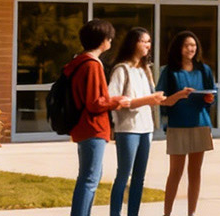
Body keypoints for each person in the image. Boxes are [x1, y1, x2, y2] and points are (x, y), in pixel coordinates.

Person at [109, 27, 185, 216]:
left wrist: (180, 95)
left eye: (149, 41)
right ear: (132, 43)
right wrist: (148, 100)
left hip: (146, 128)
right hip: (128, 129)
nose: (147, 45)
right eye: (143, 41)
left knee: (139, 178)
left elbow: (158, 99)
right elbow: (114, 101)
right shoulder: (121, 69)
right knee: (124, 175)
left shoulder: (145, 70)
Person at [61, 20, 127, 216]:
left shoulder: (78, 62)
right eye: (109, 38)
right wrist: (117, 102)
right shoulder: (92, 65)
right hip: (93, 127)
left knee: (88, 177)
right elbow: (94, 102)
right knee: (90, 179)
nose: (111, 41)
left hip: (83, 127)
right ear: (102, 41)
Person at [157, 31, 216, 216]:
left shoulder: (204, 69)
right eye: (186, 45)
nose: (191, 48)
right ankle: (167, 213)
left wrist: (208, 99)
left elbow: (212, 97)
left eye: (194, 45)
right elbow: (162, 100)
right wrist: (178, 95)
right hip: (178, 125)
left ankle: (191, 213)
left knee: (195, 171)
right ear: (178, 48)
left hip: (200, 124)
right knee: (175, 172)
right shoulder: (169, 71)